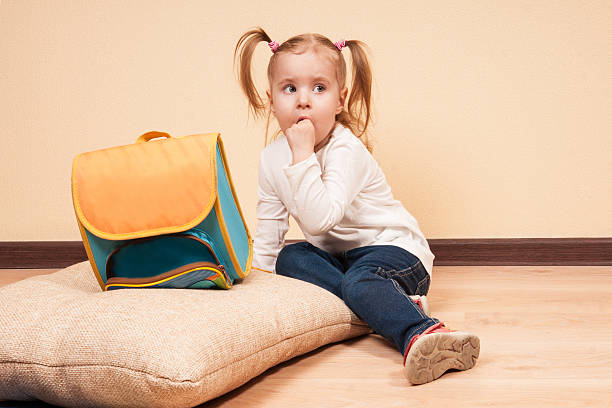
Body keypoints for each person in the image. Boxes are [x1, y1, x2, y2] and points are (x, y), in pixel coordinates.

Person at [234, 27, 480, 385]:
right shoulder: (271, 159)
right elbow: (270, 229)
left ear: (340, 100)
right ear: (271, 100)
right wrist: (255, 286)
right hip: (342, 261)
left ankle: (421, 332)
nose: (303, 100)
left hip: (396, 252)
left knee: (361, 281)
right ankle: (391, 305)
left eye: (318, 88)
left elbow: (320, 221)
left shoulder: (345, 149)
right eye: (290, 88)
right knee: (289, 258)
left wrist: (302, 155)